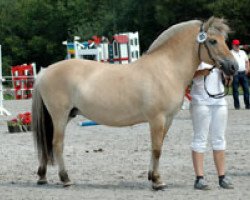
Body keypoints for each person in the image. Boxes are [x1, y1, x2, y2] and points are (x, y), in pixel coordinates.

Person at [190, 62, 233, 190]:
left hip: (219, 101)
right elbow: (186, 75)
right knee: (200, 139)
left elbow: (227, 83)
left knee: (219, 139)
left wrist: (228, 77)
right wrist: (201, 72)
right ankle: (199, 178)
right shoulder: (197, 59)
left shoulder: (219, 61)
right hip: (200, 101)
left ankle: (222, 176)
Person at [230, 39, 250, 109]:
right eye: (235, 45)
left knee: (246, 90)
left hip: (243, 73)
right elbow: (229, 65)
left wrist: (248, 69)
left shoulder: (243, 52)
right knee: (235, 90)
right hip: (235, 74)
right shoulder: (230, 53)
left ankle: (248, 105)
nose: (237, 46)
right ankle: (237, 106)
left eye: (238, 44)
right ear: (232, 45)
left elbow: (247, 61)